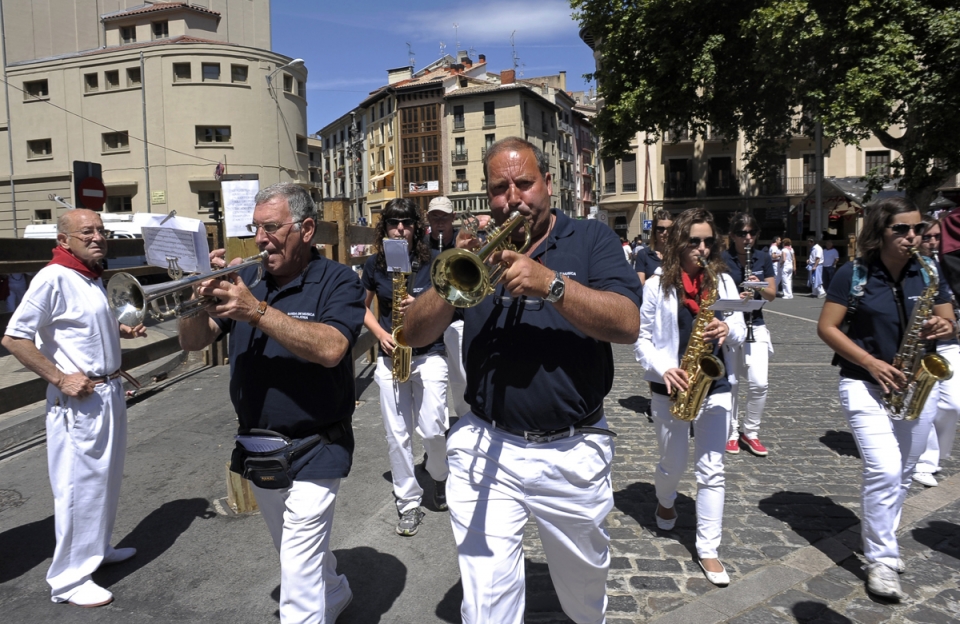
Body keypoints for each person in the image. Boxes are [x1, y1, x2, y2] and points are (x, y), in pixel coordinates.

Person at [403, 137, 642, 624]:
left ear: (548, 185)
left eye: (524, 183)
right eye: (499, 188)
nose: (513, 198)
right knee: (486, 607)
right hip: (486, 443)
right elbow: (412, 333)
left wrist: (552, 285)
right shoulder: (474, 249)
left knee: (584, 594)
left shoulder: (591, 239)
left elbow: (627, 323)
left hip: (572, 449)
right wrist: (451, 282)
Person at [178, 183, 365, 623]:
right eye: (255, 228)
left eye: (271, 228)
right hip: (260, 448)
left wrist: (256, 310)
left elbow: (332, 347)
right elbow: (193, 341)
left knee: (296, 576)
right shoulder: (249, 280)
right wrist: (195, 301)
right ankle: (335, 590)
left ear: (306, 228)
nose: (261, 239)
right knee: (293, 549)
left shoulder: (337, 280)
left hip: (317, 445)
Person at [2, 209, 146, 607]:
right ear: (64, 240)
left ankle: (95, 550)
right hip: (79, 400)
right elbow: (16, 337)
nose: (98, 237)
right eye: (87, 232)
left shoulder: (88, 275)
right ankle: (68, 579)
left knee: (105, 479)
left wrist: (120, 328)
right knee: (78, 487)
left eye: (101, 230)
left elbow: (78, 325)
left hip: (107, 392)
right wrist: (59, 377)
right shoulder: (54, 277)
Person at [817, 197, 955, 600]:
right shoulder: (853, 273)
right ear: (880, 232)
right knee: (885, 469)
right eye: (902, 230)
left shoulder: (929, 270)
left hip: (916, 383)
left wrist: (942, 324)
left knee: (904, 474)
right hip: (864, 383)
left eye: (917, 229)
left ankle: (880, 538)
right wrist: (871, 363)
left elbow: (949, 320)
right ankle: (882, 558)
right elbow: (828, 328)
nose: (913, 237)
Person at [635, 207, 746, 587]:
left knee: (712, 470)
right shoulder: (655, 286)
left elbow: (741, 329)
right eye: (694, 240)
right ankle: (665, 499)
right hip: (672, 388)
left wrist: (726, 329)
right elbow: (642, 338)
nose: (702, 247)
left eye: (708, 241)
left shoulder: (723, 283)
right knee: (673, 463)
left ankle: (708, 548)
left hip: (715, 386)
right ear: (680, 242)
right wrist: (663, 368)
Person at [363, 198, 450, 536]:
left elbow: (452, 306)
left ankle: (439, 475)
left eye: (407, 223)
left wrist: (423, 304)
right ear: (383, 228)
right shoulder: (374, 264)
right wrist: (380, 333)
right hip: (391, 356)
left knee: (431, 429)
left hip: (429, 353)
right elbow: (361, 306)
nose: (400, 228)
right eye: (393, 223)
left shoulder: (435, 261)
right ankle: (409, 503)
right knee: (396, 436)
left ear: (417, 228)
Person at [722, 213, 777, 457]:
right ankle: (731, 432)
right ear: (732, 235)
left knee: (759, 382)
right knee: (732, 382)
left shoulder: (763, 257)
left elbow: (772, 294)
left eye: (752, 233)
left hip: (756, 324)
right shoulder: (723, 259)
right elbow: (715, 295)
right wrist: (737, 298)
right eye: (742, 233)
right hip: (732, 325)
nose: (748, 237)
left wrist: (759, 287)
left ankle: (750, 432)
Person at [913, 216, 960, 488]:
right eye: (927, 237)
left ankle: (937, 454)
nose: (931, 242)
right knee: (927, 404)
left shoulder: (950, 263)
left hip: (950, 340)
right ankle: (926, 461)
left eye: (936, 237)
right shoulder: (915, 267)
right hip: (923, 342)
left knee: (953, 404)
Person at [426, 195, 469, 419]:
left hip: (456, 319)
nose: (440, 222)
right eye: (435, 217)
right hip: (430, 317)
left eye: (444, 217)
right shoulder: (421, 248)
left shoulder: (464, 242)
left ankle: (464, 417)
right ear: (428, 219)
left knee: (460, 375)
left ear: (453, 217)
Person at [636, 209, 673, 285]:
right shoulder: (643, 254)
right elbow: (640, 284)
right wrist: (653, 280)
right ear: (654, 230)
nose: (665, 232)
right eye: (660, 229)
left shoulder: (678, 253)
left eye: (669, 229)